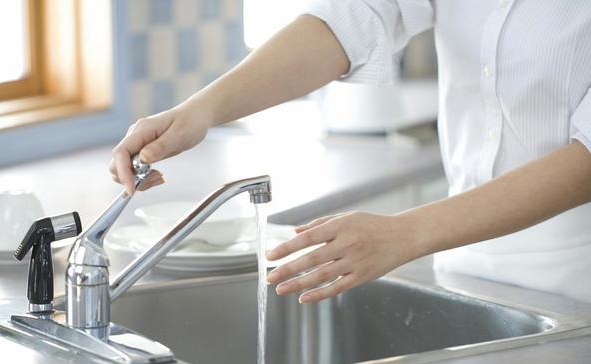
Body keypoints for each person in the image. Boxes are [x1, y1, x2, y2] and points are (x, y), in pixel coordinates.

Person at [110, 1, 591, 304]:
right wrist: (202, 110)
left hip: (576, 279)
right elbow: (357, 17)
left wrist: (407, 232)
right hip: (462, 268)